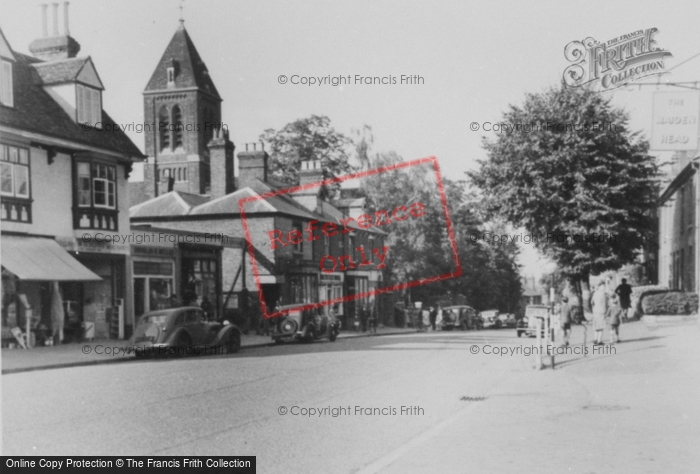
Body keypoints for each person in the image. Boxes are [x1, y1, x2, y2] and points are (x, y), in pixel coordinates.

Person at [591, 281, 608, 345]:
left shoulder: (595, 293)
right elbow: (604, 303)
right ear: (599, 287)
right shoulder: (603, 294)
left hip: (595, 311)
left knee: (596, 327)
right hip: (601, 311)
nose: (604, 287)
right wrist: (605, 311)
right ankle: (599, 341)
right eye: (603, 286)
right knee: (601, 327)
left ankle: (595, 339)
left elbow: (592, 302)